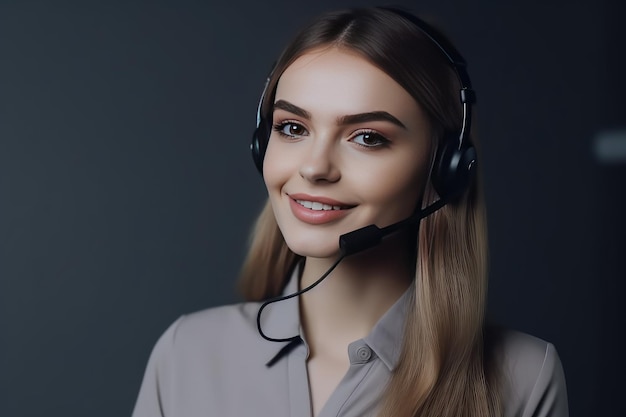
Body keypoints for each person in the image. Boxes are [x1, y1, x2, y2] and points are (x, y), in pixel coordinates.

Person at [131, 6, 568, 417]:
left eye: (367, 137)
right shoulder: (186, 353)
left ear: (445, 167)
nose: (315, 167)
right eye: (292, 128)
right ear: (262, 144)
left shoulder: (523, 378)